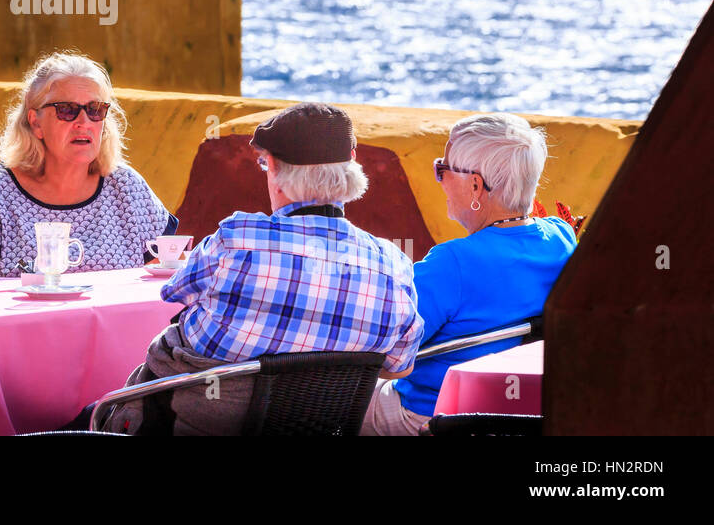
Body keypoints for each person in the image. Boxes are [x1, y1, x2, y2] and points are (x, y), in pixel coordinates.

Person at [99, 102, 422, 435]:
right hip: (317, 429)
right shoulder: (392, 263)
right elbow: (399, 365)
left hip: (196, 424)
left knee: (91, 415)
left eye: (265, 164)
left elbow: (174, 291)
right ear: (352, 162)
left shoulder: (238, 237)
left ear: (277, 173)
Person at [361, 112, 575, 436]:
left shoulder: (452, 263)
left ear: (476, 186)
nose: (440, 178)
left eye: (443, 169)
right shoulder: (561, 238)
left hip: (433, 416)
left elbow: (385, 349)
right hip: (520, 413)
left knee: (327, 404)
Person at [0, 51, 175, 277]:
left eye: (95, 110)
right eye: (67, 110)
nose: (84, 122)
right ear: (35, 122)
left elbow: (174, 282)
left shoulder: (126, 187)